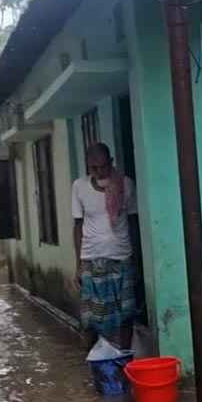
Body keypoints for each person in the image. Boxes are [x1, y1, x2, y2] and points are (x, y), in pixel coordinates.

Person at [72, 143, 139, 351]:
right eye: (94, 168)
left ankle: (124, 359)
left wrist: (136, 258)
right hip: (91, 259)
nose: (99, 172)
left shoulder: (126, 185)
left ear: (111, 162)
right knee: (90, 318)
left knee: (126, 314)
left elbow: (133, 221)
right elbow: (78, 224)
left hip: (121, 256)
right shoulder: (79, 187)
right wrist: (78, 265)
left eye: (103, 166)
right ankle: (93, 362)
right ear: (88, 167)